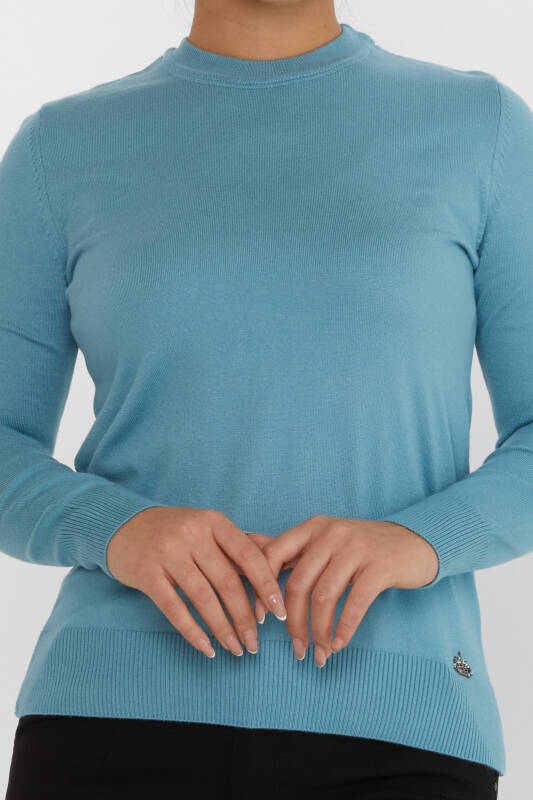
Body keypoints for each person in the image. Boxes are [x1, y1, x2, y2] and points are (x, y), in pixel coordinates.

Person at [3, 0, 533, 795]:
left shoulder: (480, 128)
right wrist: (117, 529)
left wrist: (419, 540)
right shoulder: (60, 146)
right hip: (107, 721)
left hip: (401, 730)